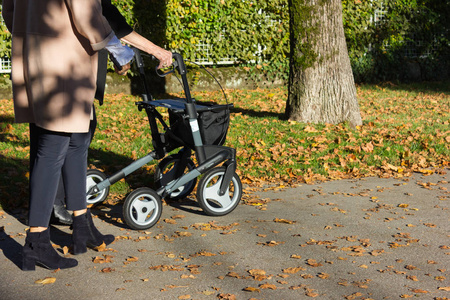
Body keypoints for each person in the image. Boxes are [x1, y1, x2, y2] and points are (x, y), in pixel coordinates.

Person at [2, 0, 135, 271]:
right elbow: (86, 12)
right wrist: (119, 51)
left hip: (36, 56)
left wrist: (31, 35)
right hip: (65, 62)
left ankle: (81, 224)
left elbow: (9, 11)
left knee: (76, 142)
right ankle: (36, 241)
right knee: (51, 149)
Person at [51, 0, 173, 225]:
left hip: (62, 66)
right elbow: (98, 23)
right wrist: (126, 53)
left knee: (71, 135)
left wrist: (153, 51)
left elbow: (112, 24)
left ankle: (60, 201)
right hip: (70, 68)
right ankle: (57, 204)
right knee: (70, 137)